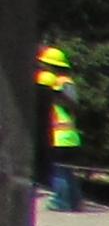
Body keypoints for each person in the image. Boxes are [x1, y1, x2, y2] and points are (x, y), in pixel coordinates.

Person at [33, 41, 75, 212]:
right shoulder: (67, 82)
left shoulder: (54, 83)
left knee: (58, 172)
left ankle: (61, 202)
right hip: (69, 134)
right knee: (66, 171)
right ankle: (74, 200)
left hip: (58, 135)